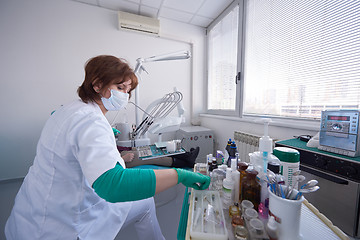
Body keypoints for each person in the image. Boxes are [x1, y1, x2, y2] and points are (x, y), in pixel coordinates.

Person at [5, 55, 210, 240]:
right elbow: (113, 185)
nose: (126, 95)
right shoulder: (91, 121)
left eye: (128, 90)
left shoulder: (70, 109)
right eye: (120, 88)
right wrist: (180, 176)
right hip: (61, 226)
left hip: (31, 212)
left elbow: (72, 137)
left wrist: (105, 135)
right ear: (97, 84)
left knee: (145, 203)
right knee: (144, 200)